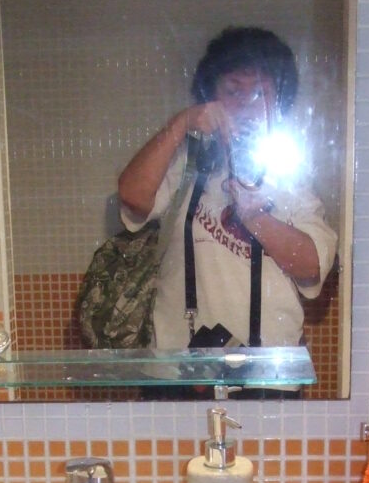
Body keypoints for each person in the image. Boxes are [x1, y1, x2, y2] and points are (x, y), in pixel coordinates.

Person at [118, 27, 337, 351]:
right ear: (211, 95)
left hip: (267, 369)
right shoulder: (187, 160)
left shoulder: (291, 176)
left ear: (278, 101)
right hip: (180, 365)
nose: (245, 105)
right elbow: (132, 196)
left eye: (260, 93)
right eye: (233, 90)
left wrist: (255, 218)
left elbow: (311, 267)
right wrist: (182, 122)